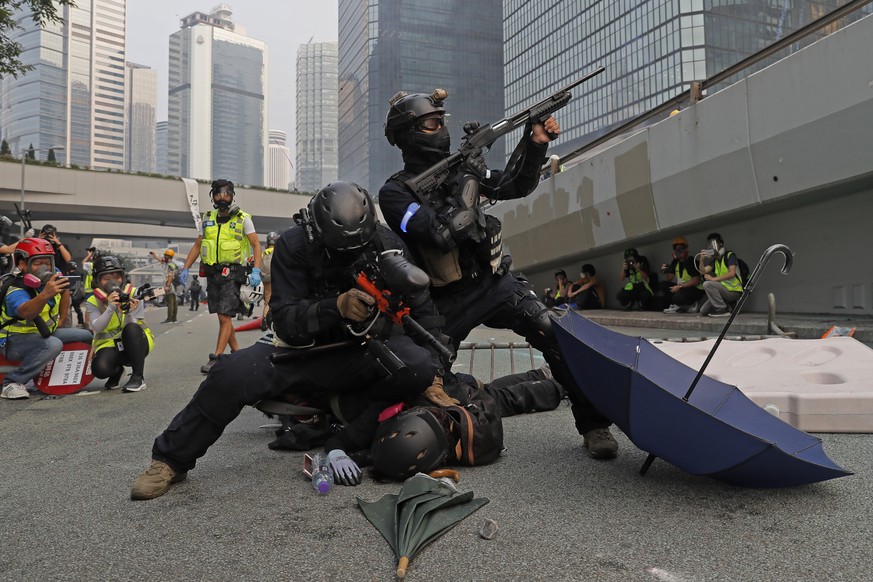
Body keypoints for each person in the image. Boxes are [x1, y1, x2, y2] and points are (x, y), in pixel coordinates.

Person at [130, 182, 446, 500]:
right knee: (231, 373)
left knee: (417, 365)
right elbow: (285, 319)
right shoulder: (293, 245)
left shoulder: (385, 242)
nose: (347, 255)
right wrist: (335, 307)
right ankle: (170, 459)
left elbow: (422, 310)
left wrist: (435, 374)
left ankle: (346, 438)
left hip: (363, 350)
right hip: (301, 352)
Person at [378, 87, 619, 459]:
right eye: (430, 123)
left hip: (493, 282)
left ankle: (594, 425)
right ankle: (487, 403)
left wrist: (534, 143)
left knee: (550, 329)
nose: (440, 128)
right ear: (407, 134)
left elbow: (514, 185)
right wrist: (469, 181)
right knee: (425, 380)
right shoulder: (395, 193)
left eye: (441, 121)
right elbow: (443, 233)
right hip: (443, 303)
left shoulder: (460, 168)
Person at [178, 179, 262, 373]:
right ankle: (236, 352)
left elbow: (256, 244)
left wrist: (256, 270)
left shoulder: (243, 218)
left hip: (233, 273)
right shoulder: (207, 218)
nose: (222, 197)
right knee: (222, 317)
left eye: (226, 193)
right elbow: (198, 245)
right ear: (213, 196)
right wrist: (185, 267)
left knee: (225, 315)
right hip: (213, 273)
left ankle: (217, 357)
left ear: (232, 195)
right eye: (218, 193)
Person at [0, 238, 92, 400]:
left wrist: (63, 319)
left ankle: (47, 373)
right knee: (53, 345)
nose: (44, 267)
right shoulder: (16, 289)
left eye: (47, 262)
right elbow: (25, 312)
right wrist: (45, 295)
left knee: (85, 335)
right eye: (37, 263)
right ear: (22, 264)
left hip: (42, 333)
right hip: (12, 341)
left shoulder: (52, 277)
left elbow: (64, 290)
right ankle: (12, 382)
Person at [85, 255, 154, 392]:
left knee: (132, 328)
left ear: (123, 277)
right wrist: (110, 307)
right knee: (100, 369)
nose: (113, 282)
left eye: (117, 277)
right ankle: (117, 371)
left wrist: (128, 311)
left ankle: (138, 377)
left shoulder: (134, 294)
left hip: (136, 343)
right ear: (98, 281)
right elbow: (97, 327)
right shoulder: (93, 301)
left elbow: (132, 327)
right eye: (107, 279)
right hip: (111, 345)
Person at [698, 232, 743, 317]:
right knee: (703, 310)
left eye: (714, 243)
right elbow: (703, 271)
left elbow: (732, 273)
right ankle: (729, 306)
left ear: (721, 244)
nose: (711, 246)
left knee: (707, 284)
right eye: (709, 244)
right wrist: (701, 260)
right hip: (723, 291)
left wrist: (714, 279)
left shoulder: (730, 255)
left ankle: (722, 309)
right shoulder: (715, 261)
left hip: (734, 291)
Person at [660, 236, 704, 313]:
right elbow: (669, 279)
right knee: (663, 285)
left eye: (681, 248)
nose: (678, 251)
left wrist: (680, 286)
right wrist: (666, 270)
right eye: (676, 249)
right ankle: (678, 305)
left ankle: (692, 304)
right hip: (682, 288)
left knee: (678, 297)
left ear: (686, 249)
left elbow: (696, 280)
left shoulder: (690, 261)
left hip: (695, 289)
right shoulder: (676, 262)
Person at [148, 249, 180, 324]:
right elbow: (161, 260)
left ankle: (169, 319)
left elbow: (170, 275)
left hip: (169, 284)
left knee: (170, 302)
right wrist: (154, 255)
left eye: (165, 255)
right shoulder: (168, 263)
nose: (163, 257)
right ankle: (174, 319)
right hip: (171, 284)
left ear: (168, 256)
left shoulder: (170, 265)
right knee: (174, 301)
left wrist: (167, 285)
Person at [259, 231, 279, 331]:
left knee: (267, 301)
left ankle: (264, 319)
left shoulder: (264, 253)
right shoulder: (279, 251)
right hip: (277, 278)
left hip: (266, 279)